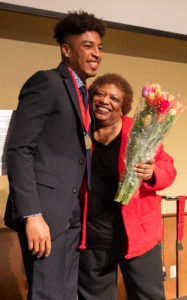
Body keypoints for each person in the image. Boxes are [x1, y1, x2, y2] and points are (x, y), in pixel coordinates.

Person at [4, 11, 106, 300]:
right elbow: (19, 149)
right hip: (45, 214)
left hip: (73, 210)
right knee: (47, 293)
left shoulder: (84, 93)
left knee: (64, 292)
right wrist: (32, 215)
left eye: (99, 47)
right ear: (66, 50)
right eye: (87, 46)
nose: (96, 53)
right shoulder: (47, 82)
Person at [78, 73, 177, 300]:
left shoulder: (140, 131)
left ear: (124, 106)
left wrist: (153, 173)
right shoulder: (79, 132)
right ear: (90, 98)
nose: (105, 100)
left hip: (137, 236)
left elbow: (168, 168)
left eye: (114, 98)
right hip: (93, 239)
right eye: (99, 94)